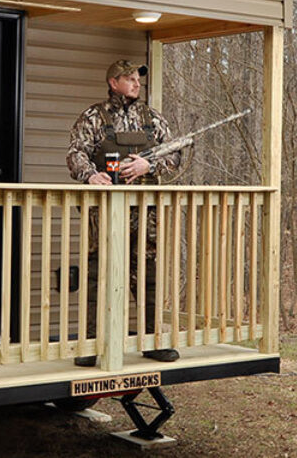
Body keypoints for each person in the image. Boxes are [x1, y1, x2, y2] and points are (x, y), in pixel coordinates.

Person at [66, 60, 181, 366]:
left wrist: (150, 165)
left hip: (146, 214)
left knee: (148, 275)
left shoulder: (152, 119)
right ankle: (92, 344)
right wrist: (91, 175)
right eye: (129, 79)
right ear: (113, 82)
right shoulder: (93, 116)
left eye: (138, 79)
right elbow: (75, 153)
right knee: (98, 274)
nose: (136, 84)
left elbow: (175, 154)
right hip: (103, 213)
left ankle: (154, 341)